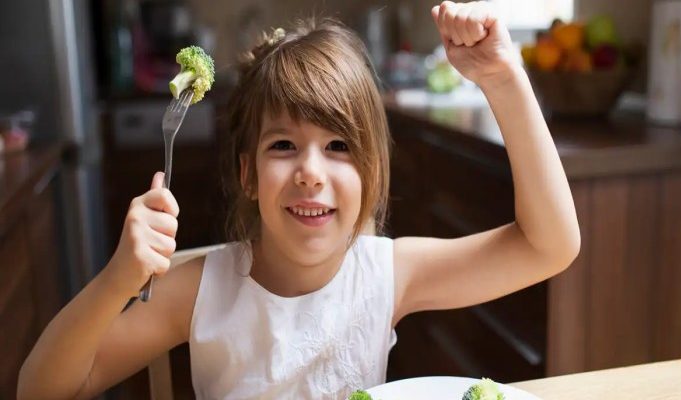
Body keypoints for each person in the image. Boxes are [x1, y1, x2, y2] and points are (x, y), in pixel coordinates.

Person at [18, 2, 580, 399]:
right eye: (283, 145)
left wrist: (504, 80)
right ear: (247, 174)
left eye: (338, 147)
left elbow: (547, 246)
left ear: (371, 172)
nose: (311, 173)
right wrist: (119, 277)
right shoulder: (196, 291)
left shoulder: (388, 273)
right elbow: (43, 388)